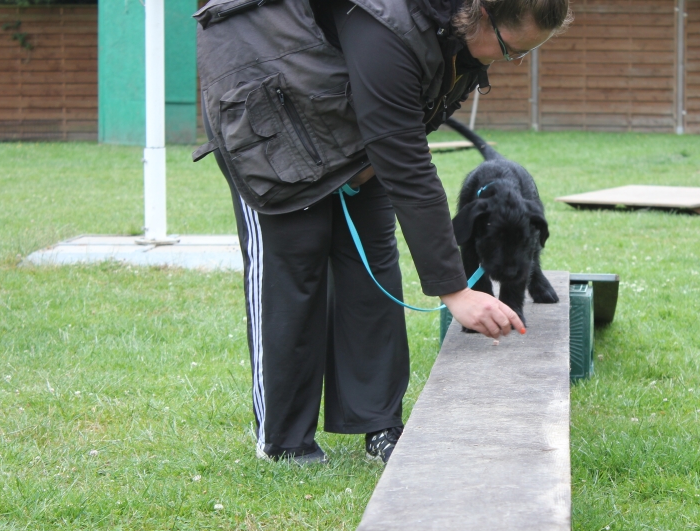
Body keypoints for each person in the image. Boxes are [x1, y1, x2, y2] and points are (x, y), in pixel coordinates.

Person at [197, 0, 572, 465]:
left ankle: (378, 422)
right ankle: (284, 439)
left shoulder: (456, 32)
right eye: (511, 50)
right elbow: (406, 158)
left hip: (343, 109)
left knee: (372, 259)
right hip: (266, 104)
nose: (511, 62)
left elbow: (406, 124)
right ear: (484, 14)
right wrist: (456, 290)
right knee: (295, 264)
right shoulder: (388, 23)